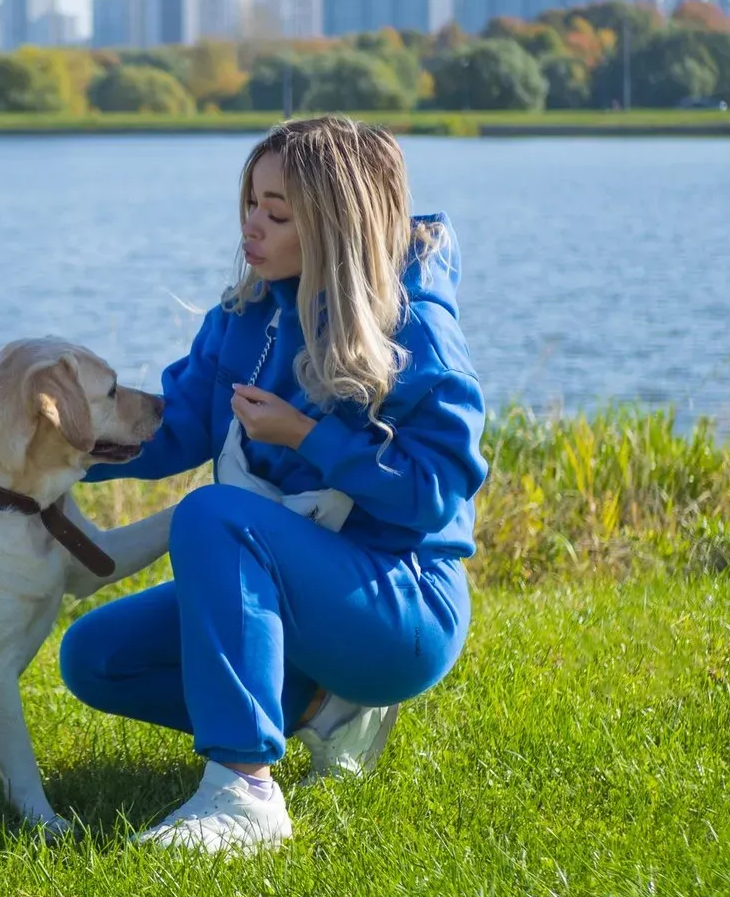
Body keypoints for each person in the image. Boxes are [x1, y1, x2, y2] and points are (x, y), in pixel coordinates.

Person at [61, 114, 488, 853]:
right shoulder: (247, 313)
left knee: (213, 516)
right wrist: (55, 449)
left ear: (336, 226)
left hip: (401, 608)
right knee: (95, 657)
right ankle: (318, 704)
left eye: (276, 213)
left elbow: (432, 496)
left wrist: (309, 438)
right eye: (250, 206)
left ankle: (245, 793)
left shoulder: (416, 332)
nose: (251, 228)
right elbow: (177, 426)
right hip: (304, 597)